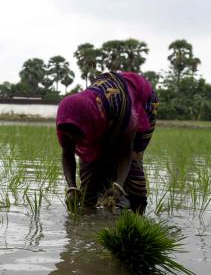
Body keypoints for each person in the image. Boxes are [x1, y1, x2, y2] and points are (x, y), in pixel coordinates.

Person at [56, 71, 157, 214]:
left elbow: (126, 152)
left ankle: (136, 213)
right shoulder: (67, 119)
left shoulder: (124, 112)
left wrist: (118, 186)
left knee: (134, 162)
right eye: (68, 134)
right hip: (99, 115)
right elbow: (67, 153)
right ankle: (89, 212)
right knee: (90, 173)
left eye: (76, 133)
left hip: (139, 101)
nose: (72, 138)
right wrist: (72, 188)